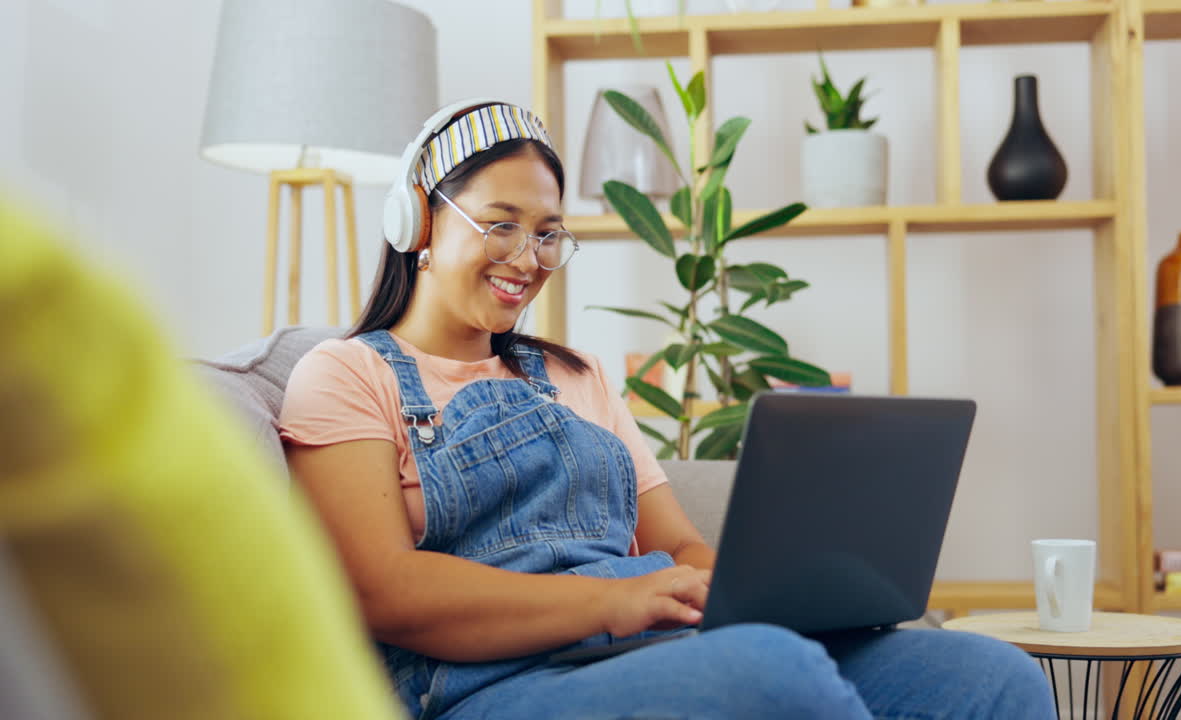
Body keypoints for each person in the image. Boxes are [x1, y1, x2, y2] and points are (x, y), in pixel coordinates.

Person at [279, 100, 1056, 720]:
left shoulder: (573, 377)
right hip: (486, 683)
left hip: (637, 648)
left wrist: (786, 591)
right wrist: (614, 599)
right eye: (502, 224)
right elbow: (383, 591)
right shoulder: (347, 374)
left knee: (989, 677)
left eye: (549, 235)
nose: (526, 259)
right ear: (416, 216)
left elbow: (681, 548)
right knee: (772, 675)